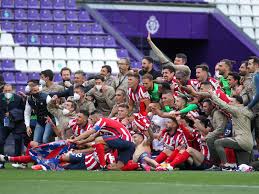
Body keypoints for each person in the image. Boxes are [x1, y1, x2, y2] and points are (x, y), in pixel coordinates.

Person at [69, 111, 134, 170]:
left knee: (99, 140)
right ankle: (138, 166)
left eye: (91, 119)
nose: (90, 121)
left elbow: (91, 132)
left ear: (96, 118)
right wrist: (81, 142)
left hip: (123, 139)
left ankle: (103, 166)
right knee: (118, 166)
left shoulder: (102, 120)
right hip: (129, 144)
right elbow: (93, 137)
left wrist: (74, 139)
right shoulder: (105, 126)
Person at [209, 90, 254, 170]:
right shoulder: (245, 111)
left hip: (241, 140)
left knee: (218, 142)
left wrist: (213, 96)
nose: (229, 103)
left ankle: (225, 165)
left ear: (239, 103)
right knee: (244, 166)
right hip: (248, 142)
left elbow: (224, 105)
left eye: (232, 102)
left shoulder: (238, 110)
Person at [0, 84, 26, 169]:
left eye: (9, 91)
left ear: (12, 90)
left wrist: (12, 114)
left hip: (16, 123)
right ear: (3, 90)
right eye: (6, 91)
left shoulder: (18, 98)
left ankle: (17, 161)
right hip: (3, 123)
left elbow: (23, 110)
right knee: (0, 140)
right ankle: (1, 162)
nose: (7, 92)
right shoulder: (0, 97)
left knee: (18, 140)